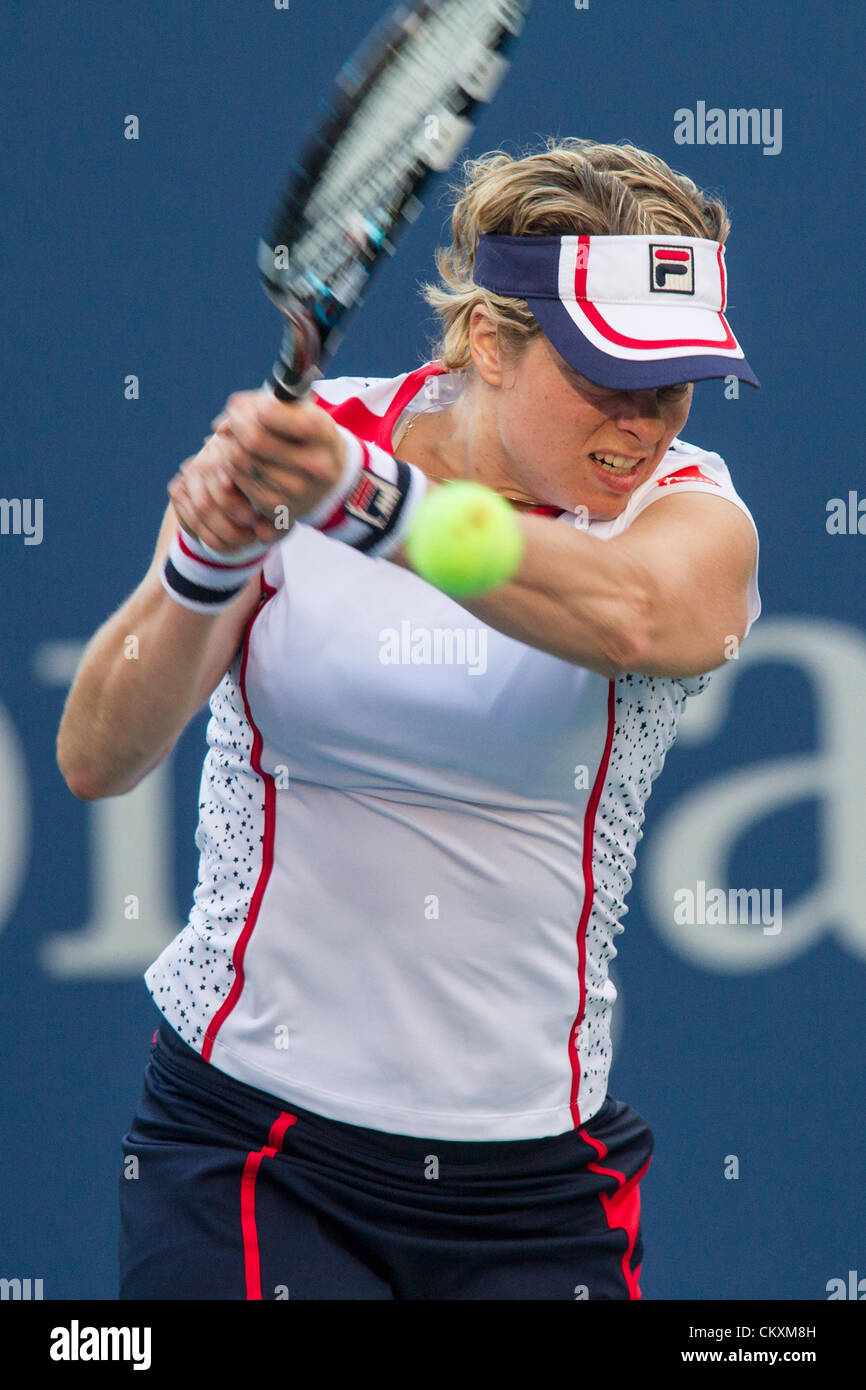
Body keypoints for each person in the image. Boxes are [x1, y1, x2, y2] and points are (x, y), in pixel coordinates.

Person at [57, 137, 761, 1300]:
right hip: (248, 1151)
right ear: (488, 339)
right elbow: (96, 755)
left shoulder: (691, 514)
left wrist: (366, 501)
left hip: (537, 1189)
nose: (642, 423)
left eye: (673, 383)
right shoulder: (310, 446)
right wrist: (198, 562)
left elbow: (635, 617)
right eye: (606, 375)